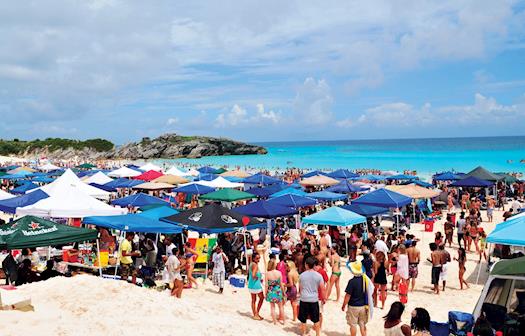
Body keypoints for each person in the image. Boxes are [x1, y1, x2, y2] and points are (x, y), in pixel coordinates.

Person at [342, 261, 373, 336]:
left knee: (353, 324)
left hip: (353, 306)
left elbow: (348, 296)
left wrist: (344, 305)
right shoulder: (365, 280)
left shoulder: (352, 282)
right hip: (363, 306)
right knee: (362, 324)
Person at [298, 257, 325, 336]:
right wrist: (323, 298)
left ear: (306, 265)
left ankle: (303, 334)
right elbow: (322, 289)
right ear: (313, 265)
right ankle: (317, 334)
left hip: (304, 299)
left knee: (303, 320)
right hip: (314, 300)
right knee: (316, 320)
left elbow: (300, 288)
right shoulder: (318, 276)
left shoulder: (302, 275)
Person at [266, 259, 286, 325]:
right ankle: (284, 321)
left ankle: (275, 322)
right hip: (278, 290)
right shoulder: (279, 273)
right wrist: (283, 292)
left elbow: (266, 285)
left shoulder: (267, 273)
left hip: (271, 291)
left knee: (272, 307)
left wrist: (265, 293)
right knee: (281, 307)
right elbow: (281, 284)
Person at [247, 253, 264, 320]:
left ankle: (255, 314)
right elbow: (254, 275)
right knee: (261, 298)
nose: (258, 260)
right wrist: (258, 277)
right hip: (256, 285)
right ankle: (256, 313)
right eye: (257, 258)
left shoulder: (251, 264)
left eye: (259, 258)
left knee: (253, 300)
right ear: (254, 258)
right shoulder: (255, 265)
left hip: (251, 284)